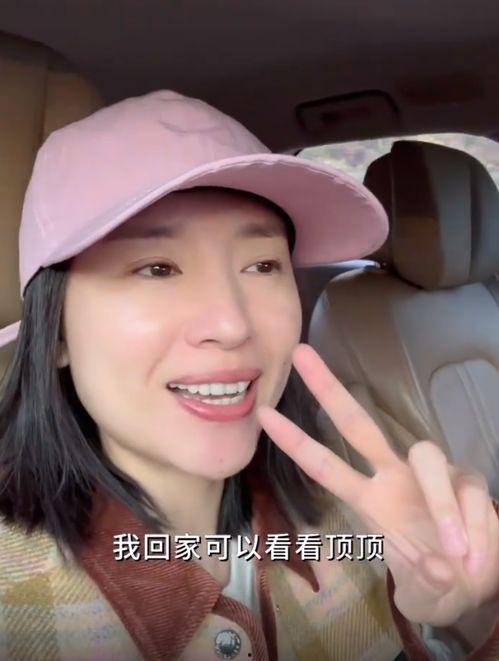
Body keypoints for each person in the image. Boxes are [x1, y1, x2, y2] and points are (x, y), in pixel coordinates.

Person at [0, 89, 497, 661]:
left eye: (262, 265)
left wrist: (481, 605)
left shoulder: (364, 503)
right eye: (156, 268)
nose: (232, 324)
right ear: (56, 332)